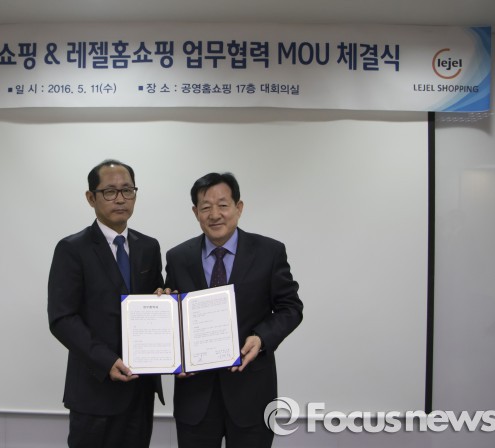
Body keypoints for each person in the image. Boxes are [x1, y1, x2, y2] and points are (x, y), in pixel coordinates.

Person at [163, 172, 303, 448]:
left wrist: (261, 338)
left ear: (239, 207)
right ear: (195, 212)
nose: (215, 214)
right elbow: (173, 314)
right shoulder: (178, 257)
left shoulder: (269, 252)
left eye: (223, 205)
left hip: (251, 394)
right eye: (205, 207)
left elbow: (291, 308)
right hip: (195, 398)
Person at [47, 159, 165, 448]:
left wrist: (164, 299)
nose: (120, 199)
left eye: (128, 190)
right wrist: (106, 360)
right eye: (110, 191)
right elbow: (62, 318)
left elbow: (154, 301)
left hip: (140, 389)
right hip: (95, 389)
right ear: (91, 198)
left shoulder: (149, 247)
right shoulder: (72, 249)